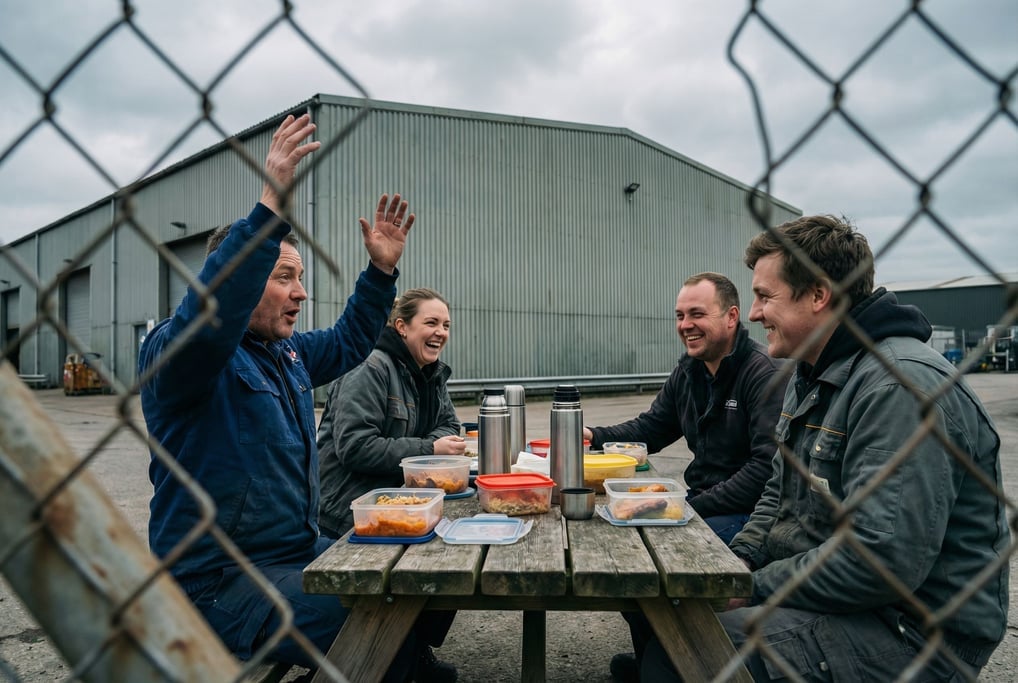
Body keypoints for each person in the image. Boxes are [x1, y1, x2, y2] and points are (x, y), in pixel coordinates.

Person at [642, 215, 1011, 681]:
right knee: (674, 625)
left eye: (764, 297)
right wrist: (745, 561)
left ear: (819, 295)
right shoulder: (814, 369)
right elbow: (778, 488)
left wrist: (754, 587)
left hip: (909, 631)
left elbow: (879, 564)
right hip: (848, 601)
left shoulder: (899, 387)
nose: (754, 314)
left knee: (684, 655)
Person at [140, 113, 419, 680]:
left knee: (415, 582)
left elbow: (346, 342)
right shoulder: (180, 355)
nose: (301, 292)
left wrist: (380, 271)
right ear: (241, 279)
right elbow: (210, 317)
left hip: (296, 549)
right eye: (284, 276)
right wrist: (270, 203)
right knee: (366, 613)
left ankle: (408, 662)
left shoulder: (284, 351)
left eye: (300, 276)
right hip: (219, 579)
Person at [583, 272, 786, 683]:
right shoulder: (690, 371)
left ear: (731, 318)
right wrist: (593, 437)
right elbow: (652, 428)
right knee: (628, 563)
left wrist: (686, 506)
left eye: (697, 314)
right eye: (679, 316)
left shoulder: (762, 373)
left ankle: (678, 664)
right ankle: (654, 663)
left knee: (659, 570)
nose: (685, 325)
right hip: (704, 502)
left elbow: (766, 471)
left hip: (748, 514)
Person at [316, 288, 462, 682]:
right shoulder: (370, 366)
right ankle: (399, 655)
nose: (441, 332)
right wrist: (429, 448)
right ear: (401, 326)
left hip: (402, 500)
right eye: (431, 323)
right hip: (351, 510)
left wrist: (433, 447)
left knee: (458, 550)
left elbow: (452, 425)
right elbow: (355, 447)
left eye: (446, 325)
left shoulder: (431, 373)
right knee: (438, 555)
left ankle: (413, 648)